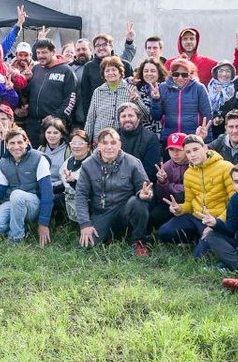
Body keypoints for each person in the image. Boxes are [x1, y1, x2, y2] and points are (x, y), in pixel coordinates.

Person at [72, 127, 152, 255]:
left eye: (113, 143)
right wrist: (85, 225)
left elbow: (146, 188)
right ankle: (109, 235)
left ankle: (138, 241)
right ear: (98, 146)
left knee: (138, 203)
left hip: (125, 210)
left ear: (120, 145)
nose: (109, 147)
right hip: (101, 212)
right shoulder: (88, 165)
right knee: (87, 247)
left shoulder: (133, 162)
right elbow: (81, 195)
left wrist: (145, 195)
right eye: (105, 143)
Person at [0, 127, 53, 244]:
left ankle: (16, 239)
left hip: (33, 204)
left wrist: (43, 223)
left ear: (26, 142)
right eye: (12, 143)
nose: (16, 147)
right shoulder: (4, 162)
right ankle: (22, 228)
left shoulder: (39, 158)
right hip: (13, 202)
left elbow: (47, 193)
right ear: (6, 145)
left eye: (20, 142)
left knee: (17, 195)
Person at [157, 135, 234, 247]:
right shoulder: (189, 173)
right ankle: (195, 239)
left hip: (216, 218)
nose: (192, 155)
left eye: (196, 149)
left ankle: (204, 241)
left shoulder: (226, 167)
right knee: (164, 232)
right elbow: (189, 202)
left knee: (200, 256)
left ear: (205, 148)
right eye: (188, 152)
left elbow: (234, 203)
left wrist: (217, 222)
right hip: (196, 216)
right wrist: (179, 209)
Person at [22, 39, 77, 145]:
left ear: (53, 52)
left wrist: (54, 117)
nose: (40, 56)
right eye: (38, 53)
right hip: (32, 124)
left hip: (54, 125)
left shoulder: (66, 71)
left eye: (44, 52)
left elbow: (71, 100)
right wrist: (25, 81)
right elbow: (27, 94)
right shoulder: (35, 68)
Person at [84, 56, 148, 139]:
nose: (110, 73)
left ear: (120, 72)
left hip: (124, 140)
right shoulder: (98, 91)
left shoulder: (131, 89)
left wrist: (136, 100)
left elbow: (145, 116)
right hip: (100, 139)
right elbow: (90, 119)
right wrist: (86, 141)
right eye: (107, 70)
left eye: (114, 70)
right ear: (103, 74)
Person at [150, 57, 211, 142]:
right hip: (170, 138)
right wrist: (156, 100)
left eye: (184, 75)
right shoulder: (163, 87)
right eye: (176, 74)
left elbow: (207, 116)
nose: (180, 78)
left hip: (191, 138)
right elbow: (156, 116)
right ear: (171, 74)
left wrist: (207, 141)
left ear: (190, 75)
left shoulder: (199, 88)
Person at [173, 27, 238, 86]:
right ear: (180, 41)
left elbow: (234, 71)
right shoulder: (170, 63)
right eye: (185, 39)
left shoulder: (208, 63)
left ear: (196, 41)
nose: (188, 41)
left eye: (192, 38)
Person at [151, 132, 189, 231]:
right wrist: (162, 182)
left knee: (180, 195)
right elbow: (162, 197)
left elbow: (190, 189)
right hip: (171, 204)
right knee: (155, 215)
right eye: (171, 149)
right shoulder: (166, 166)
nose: (175, 153)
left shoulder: (194, 163)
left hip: (191, 204)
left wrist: (172, 186)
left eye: (179, 149)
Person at [116, 102, 161, 183]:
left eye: (131, 116)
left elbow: (151, 172)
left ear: (138, 118)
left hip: (142, 185)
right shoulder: (114, 137)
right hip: (116, 184)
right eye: (123, 116)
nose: (127, 119)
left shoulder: (150, 138)